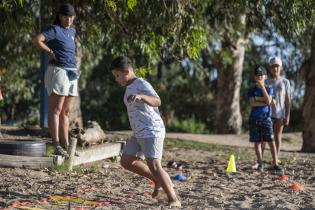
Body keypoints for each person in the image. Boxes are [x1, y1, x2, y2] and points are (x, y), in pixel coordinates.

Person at [110, 56, 181, 207]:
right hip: (138, 133)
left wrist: (141, 97)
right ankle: (157, 180)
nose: (116, 79)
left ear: (127, 72)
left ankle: (174, 199)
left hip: (152, 131)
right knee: (126, 161)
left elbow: (157, 101)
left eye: (117, 75)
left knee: (155, 165)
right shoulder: (129, 87)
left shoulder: (141, 83)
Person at [32, 3, 80, 157]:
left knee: (65, 112)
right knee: (56, 110)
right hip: (58, 71)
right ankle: (57, 145)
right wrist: (50, 51)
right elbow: (37, 40)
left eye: (71, 16)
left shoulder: (72, 30)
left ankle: (66, 146)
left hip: (72, 72)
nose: (69, 19)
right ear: (60, 16)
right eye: (66, 16)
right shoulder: (54, 29)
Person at [248, 66, 283, 173]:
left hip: (266, 119)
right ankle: (260, 163)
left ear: (265, 76)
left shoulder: (269, 88)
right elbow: (252, 103)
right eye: (257, 75)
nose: (259, 77)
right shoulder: (251, 90)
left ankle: (275, 163)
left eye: (261, 75)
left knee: (271, 141)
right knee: (257, 142)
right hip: (254, 119)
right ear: (254, 77)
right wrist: (267, 101)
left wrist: (262, 89)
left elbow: (268, 101)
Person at [266, 57, 291, 162]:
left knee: (277, 135)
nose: (275, 68)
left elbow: (288, 100)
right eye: (273, 67)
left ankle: (276, 158)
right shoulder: (266, 81)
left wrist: (287, 115)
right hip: (267, 113)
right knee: (267, 136)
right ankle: (264, 158)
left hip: (280, 113)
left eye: (277, 66)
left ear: (280, 67)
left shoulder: (285, 82)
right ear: (270, 68)